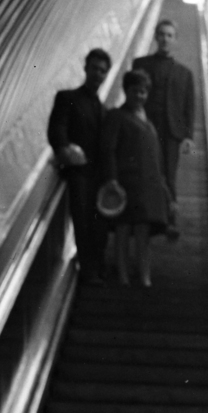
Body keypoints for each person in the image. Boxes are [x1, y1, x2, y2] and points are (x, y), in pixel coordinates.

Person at [46, 48, 112, 284]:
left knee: (98, 222)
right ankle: (88, 269)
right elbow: (57, 129)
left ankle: (97, 266)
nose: (98, 74)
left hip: (98, 176)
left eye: (103, 71)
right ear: (85, 68)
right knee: (83, 219)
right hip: (78, 172)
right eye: (94, 68)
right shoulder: (67, 97)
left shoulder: (104, 110)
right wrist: (65, 148)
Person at [101, 69, 171, 287]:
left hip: (147, 185)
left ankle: (144, 277)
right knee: (122, 230)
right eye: (135, 91)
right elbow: (108, 149)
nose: (139, 96)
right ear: (126, 91)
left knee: (143, 231)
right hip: (125, 182)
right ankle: (123, 277)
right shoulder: (116, 116)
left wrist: (162, 185)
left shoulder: (148, 121)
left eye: (143, 92)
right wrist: (112, 179)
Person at [130, 19, 195, 240]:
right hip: (144, 128)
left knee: (168, 175)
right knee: (145, 173)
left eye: (169, 35)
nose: (165, 39)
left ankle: (169, 219)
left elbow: (189, 106)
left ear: (175, 40)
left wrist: (188, 136)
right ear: (155, 37)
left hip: (171, 132)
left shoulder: (185, 73)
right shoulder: (141, 64)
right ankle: (144, 218)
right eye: (161, 34)